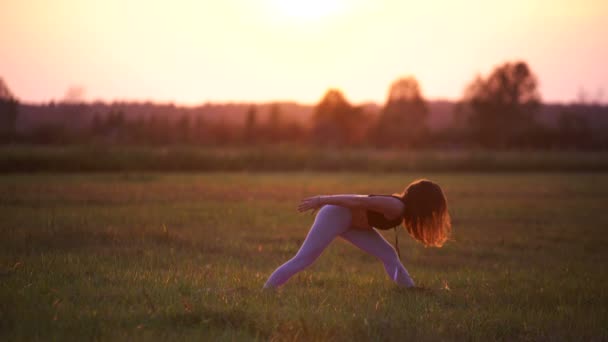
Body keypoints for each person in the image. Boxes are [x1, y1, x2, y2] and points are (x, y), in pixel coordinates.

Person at [263, 179, 451, 289]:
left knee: (388, 254)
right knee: (303, 259)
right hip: (335, 215)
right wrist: (322, 199)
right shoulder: (395, 206)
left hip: (352, 224)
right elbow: (357, 200)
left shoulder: (400, 208)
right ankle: (267, 291)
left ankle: (410, 290)